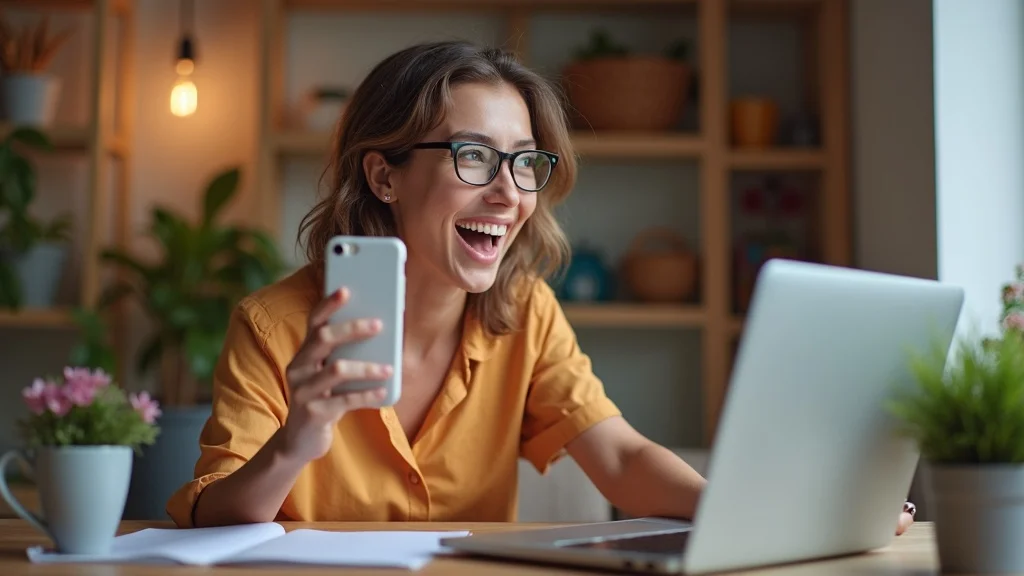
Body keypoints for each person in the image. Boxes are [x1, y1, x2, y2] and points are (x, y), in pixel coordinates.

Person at [165, 40, 914, 536]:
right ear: (383, 173)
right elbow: (216, 518)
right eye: (473, 157)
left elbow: (618, 460)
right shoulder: (273, 325)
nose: (509, 193)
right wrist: (297, 442)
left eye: (525, 163)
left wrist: (772, 511)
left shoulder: (524, 314)